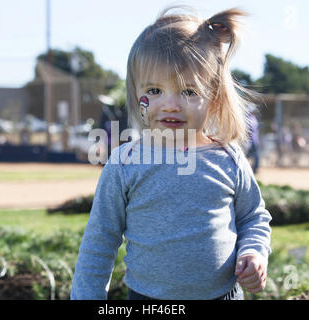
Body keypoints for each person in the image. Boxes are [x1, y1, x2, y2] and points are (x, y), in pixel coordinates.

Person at [70, 6, 272, 300]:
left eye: (188, 92)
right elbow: (100, 241)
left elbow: (253, 216)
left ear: (214, 96)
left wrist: (254, 252)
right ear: (134, 93)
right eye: (153, 91)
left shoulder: (228, 158)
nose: (170, 105)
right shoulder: (125, 163)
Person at [245, 104, 260, 174]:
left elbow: (249, 131)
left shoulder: (250, 119)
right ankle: (254, 169)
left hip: (252, 140)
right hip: (254, 140)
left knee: (250, 155)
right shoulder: (253, 118)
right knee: (253, 155)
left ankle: (253, 169)